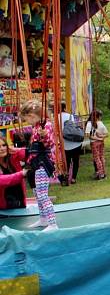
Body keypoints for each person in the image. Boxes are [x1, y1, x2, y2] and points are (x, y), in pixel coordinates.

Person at [19, 99, 58, 231]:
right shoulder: (36, 126)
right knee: (37, 192)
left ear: (32, 115)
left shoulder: (45, 125)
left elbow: (49, 143)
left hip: (43, 162)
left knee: (42, 194)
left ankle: (53, 223)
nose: (27, 122)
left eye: (26, 119)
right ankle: (43, 218)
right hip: (36, 163)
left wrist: (44, 135)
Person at [0, 138, 28, 210]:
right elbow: (2, 181)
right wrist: (21, 174)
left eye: (4, 145)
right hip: (3, 209)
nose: (2, 148)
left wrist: (17, 149)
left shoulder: (12, 158)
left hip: (20, 202)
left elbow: (28, 154)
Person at [59, 105, 84, 184]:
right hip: (75, 142)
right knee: (76, 160)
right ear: (65, 108)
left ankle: (66, 177)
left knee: (67, 161)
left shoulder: (56, 118)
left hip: (65, 143)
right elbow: (73, 128)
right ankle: (73, 178)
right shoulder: (70, 116)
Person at [85, 109, 109, 180]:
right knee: (101, 157)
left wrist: (97, 137)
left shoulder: (90, 123)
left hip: (94, 143)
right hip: (101, 142)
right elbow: (107, 134)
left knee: (97, 159)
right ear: (98, 116)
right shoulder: (101, 123)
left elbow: (87, 135)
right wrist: (101, 137)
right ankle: (104, 173)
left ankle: (101, 174)